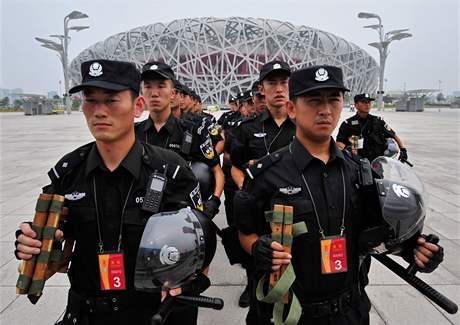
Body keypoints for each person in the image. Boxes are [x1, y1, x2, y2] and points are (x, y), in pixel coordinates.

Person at [234, 65, 444, 325]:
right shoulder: (266, 175)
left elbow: (376, 232)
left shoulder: (361, 173)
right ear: (292, 109)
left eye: (333, 99)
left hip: (349, 311)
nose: (325, 110)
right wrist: (258, 247)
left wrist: (413, 250)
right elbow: (244, 231)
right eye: (313, 101)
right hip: (288, 313)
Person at [14, 60, 208, 325]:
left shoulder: (172, 171)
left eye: (111, 100)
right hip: (87, 313)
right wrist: (30, 241)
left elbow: (199, 239)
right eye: (91, 101)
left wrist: (185, 282)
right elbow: (53, 231)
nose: (99, 111)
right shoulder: (69, 172)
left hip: (152, 314)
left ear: (137, 106)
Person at [230, 60, 296, 312]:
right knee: (257, 255)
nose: (279, 88)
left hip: (293, 207)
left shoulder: (301, 126)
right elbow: (235, 165)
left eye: (284, 83)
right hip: (258, 206)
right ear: (262, 88)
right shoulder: (248, 129)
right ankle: (252, 287)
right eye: (272, 83)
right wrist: (245, 190)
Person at [135, 61, 223, 220]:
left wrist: (214, 201)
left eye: (161, 86)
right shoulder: (132, 133)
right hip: (139, 215)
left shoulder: (193, 132)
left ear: (173, 93)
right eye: (148, 86)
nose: (154, 93)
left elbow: (216, 171)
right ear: (141, 92)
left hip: (181, 217)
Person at [336, 93, 408, 163]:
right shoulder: (348, 123)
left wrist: (403, 150)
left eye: (369, 102)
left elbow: (393, 135)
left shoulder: (378, 121)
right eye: (364, 102)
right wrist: (347, 150)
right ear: (356, 105)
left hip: (376, 162)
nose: (367, 104)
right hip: (356, 162)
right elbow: (339, 142)